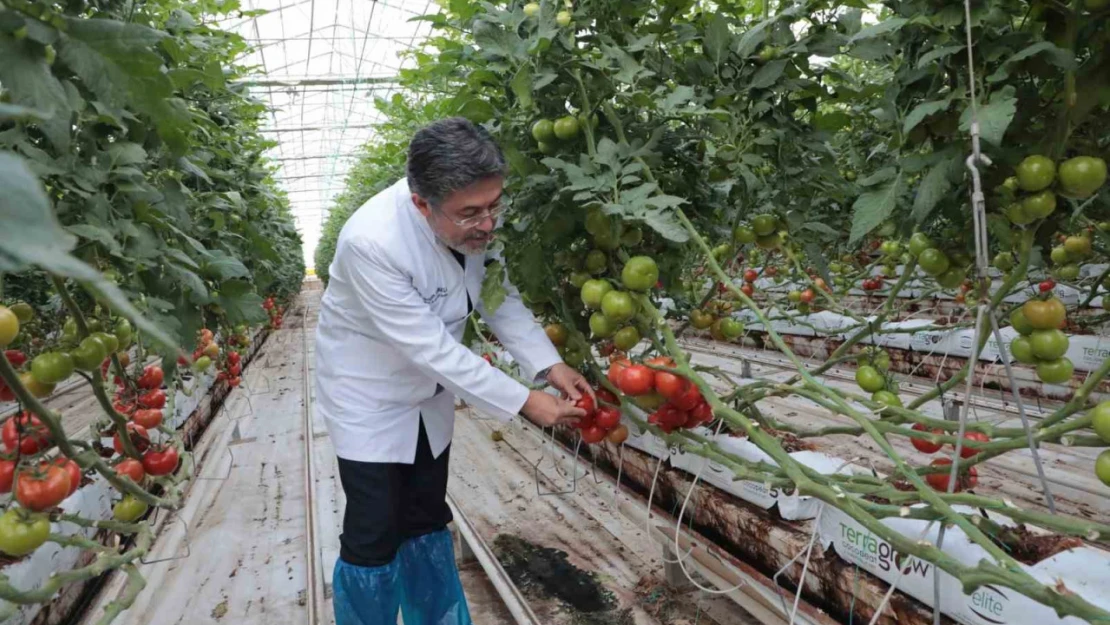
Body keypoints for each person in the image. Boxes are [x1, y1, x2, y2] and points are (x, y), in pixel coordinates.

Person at [315, 117, 592, 625]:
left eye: (494, 205)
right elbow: (433, 349)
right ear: (422, 203)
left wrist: (548, 365)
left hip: (430, 394)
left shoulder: (474, 228)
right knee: (374, 530)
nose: (487, 222)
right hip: (370, 396)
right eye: (470, 213)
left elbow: (496, 297)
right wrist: (528, 401)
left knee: (425, 513)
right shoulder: (371, 242)